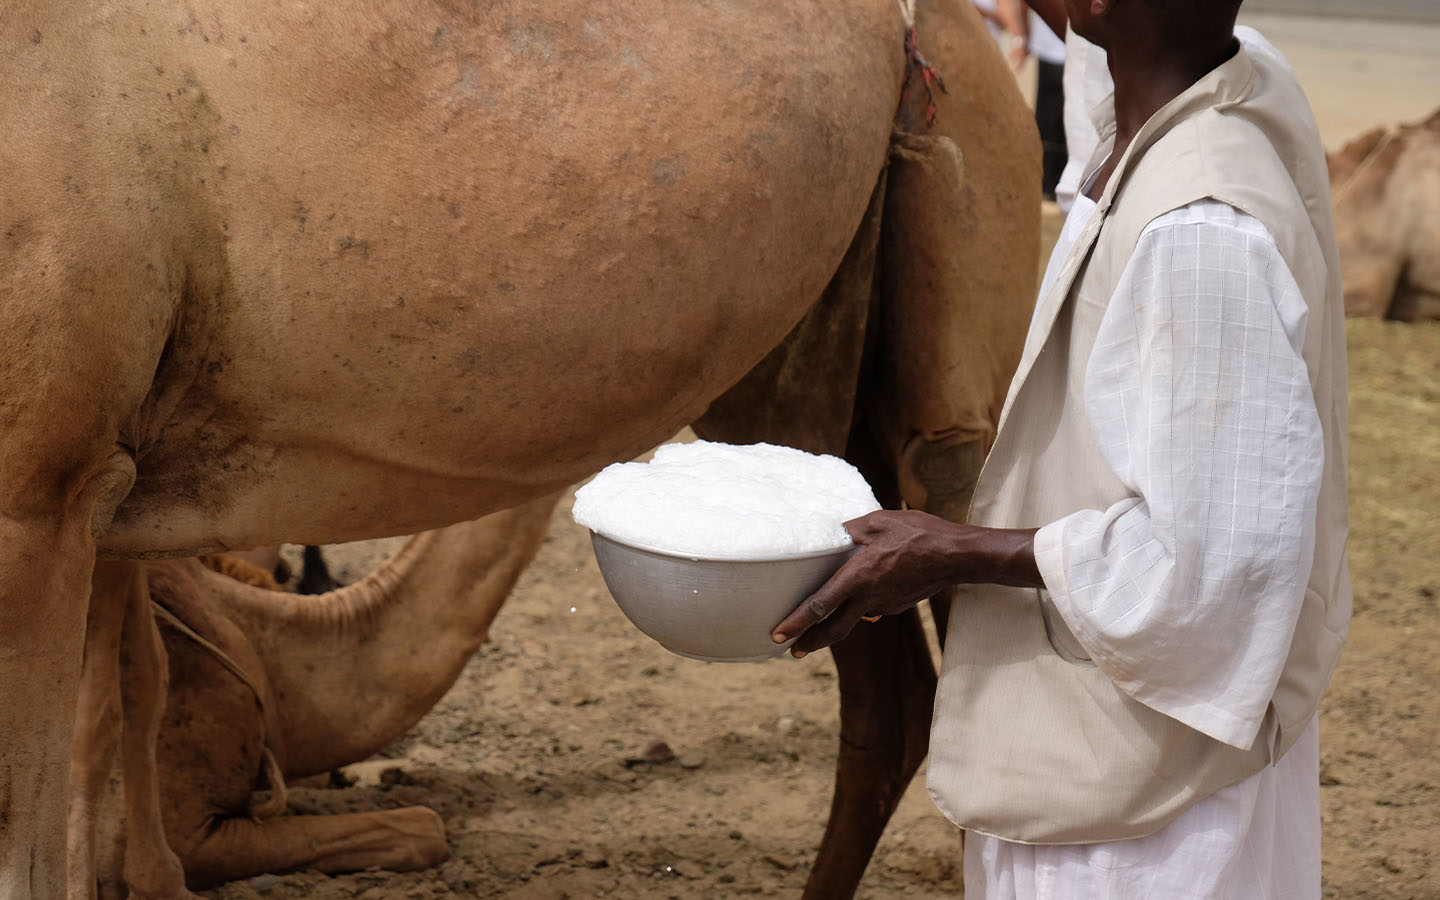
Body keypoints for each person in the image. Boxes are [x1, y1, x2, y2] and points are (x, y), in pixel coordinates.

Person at [773, 1, 1351, 897]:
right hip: (1118, 743)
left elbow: (1212, 569)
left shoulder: (1199, 234)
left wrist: (949, 552)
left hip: (1151, 814)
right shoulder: (1205, 88)